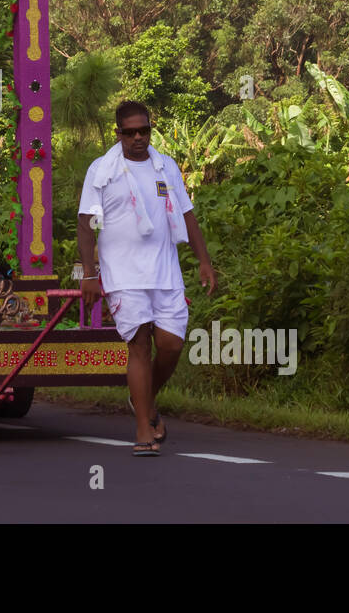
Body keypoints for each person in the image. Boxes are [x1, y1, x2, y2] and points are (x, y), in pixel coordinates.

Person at [77, 101, 216, 456]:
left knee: (171, 345)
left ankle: (144, 400)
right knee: (139, 344)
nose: (138, 137)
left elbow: (187, 214)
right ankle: (143, 429)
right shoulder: (102, 170)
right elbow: (87, 225)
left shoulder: (165, 166)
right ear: (118, 133)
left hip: (164, 271)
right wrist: (90, 275)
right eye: (130, 132)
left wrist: (204, 262)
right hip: (122, 273)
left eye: (144, 130)